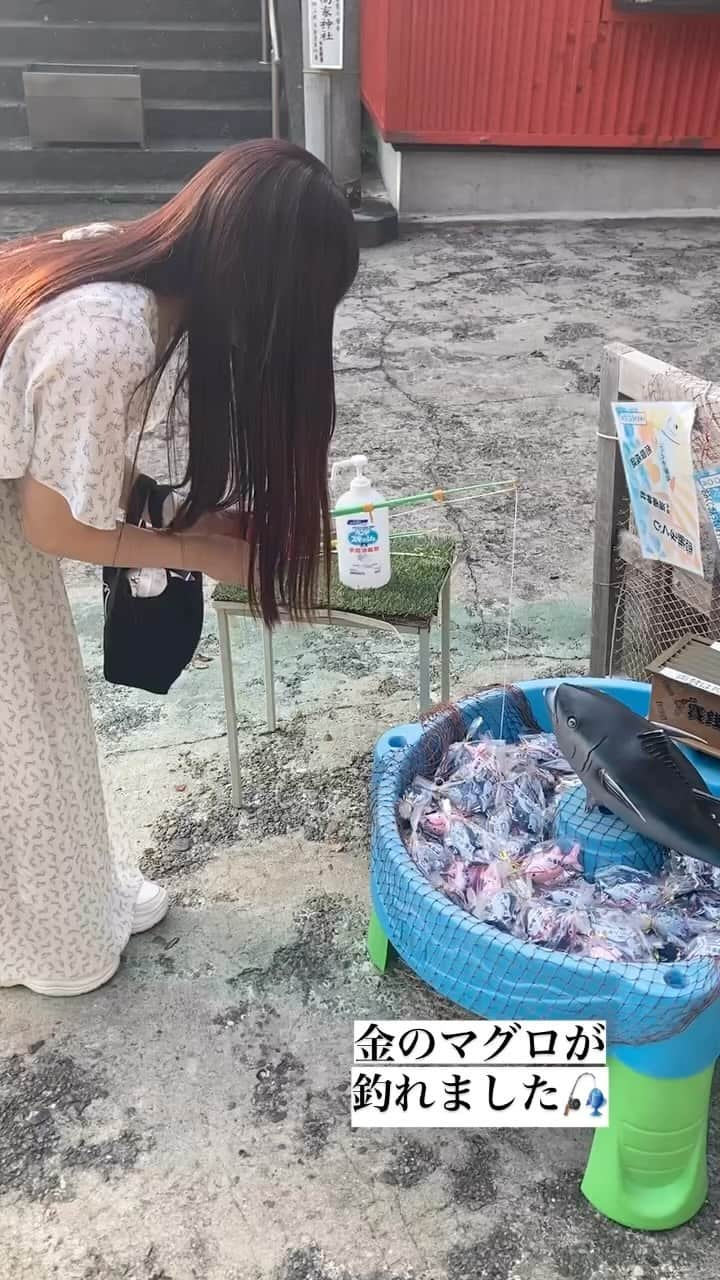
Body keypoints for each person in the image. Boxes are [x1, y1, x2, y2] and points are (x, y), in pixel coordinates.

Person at [0, 139, 359, 996]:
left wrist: (194, 515)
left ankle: (78, 905)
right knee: (24, 748)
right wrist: (199, 549)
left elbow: (64, 457)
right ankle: (54, 947)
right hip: (17, 533)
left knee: (40, 728)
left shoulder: (135, 268)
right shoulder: (112, 336)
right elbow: (55, 525)